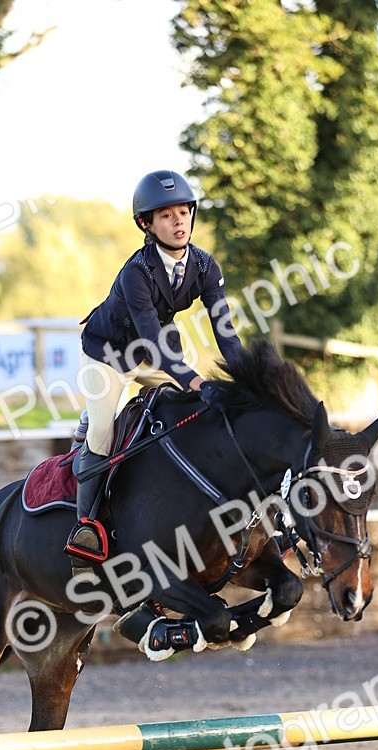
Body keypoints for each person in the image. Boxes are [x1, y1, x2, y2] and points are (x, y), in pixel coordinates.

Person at [66, 169, 243, 559]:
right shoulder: (135, 273)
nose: (178, 222)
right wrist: (197, 381)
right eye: (166, 215)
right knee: (101, 433)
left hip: (154, 352)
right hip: (108, 353)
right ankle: (86, 526)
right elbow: (151, 338)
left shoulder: (205, 265)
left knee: (192, 411)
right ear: (147, 224)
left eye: (183, 212)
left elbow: (225, 333)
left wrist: (249, 378)